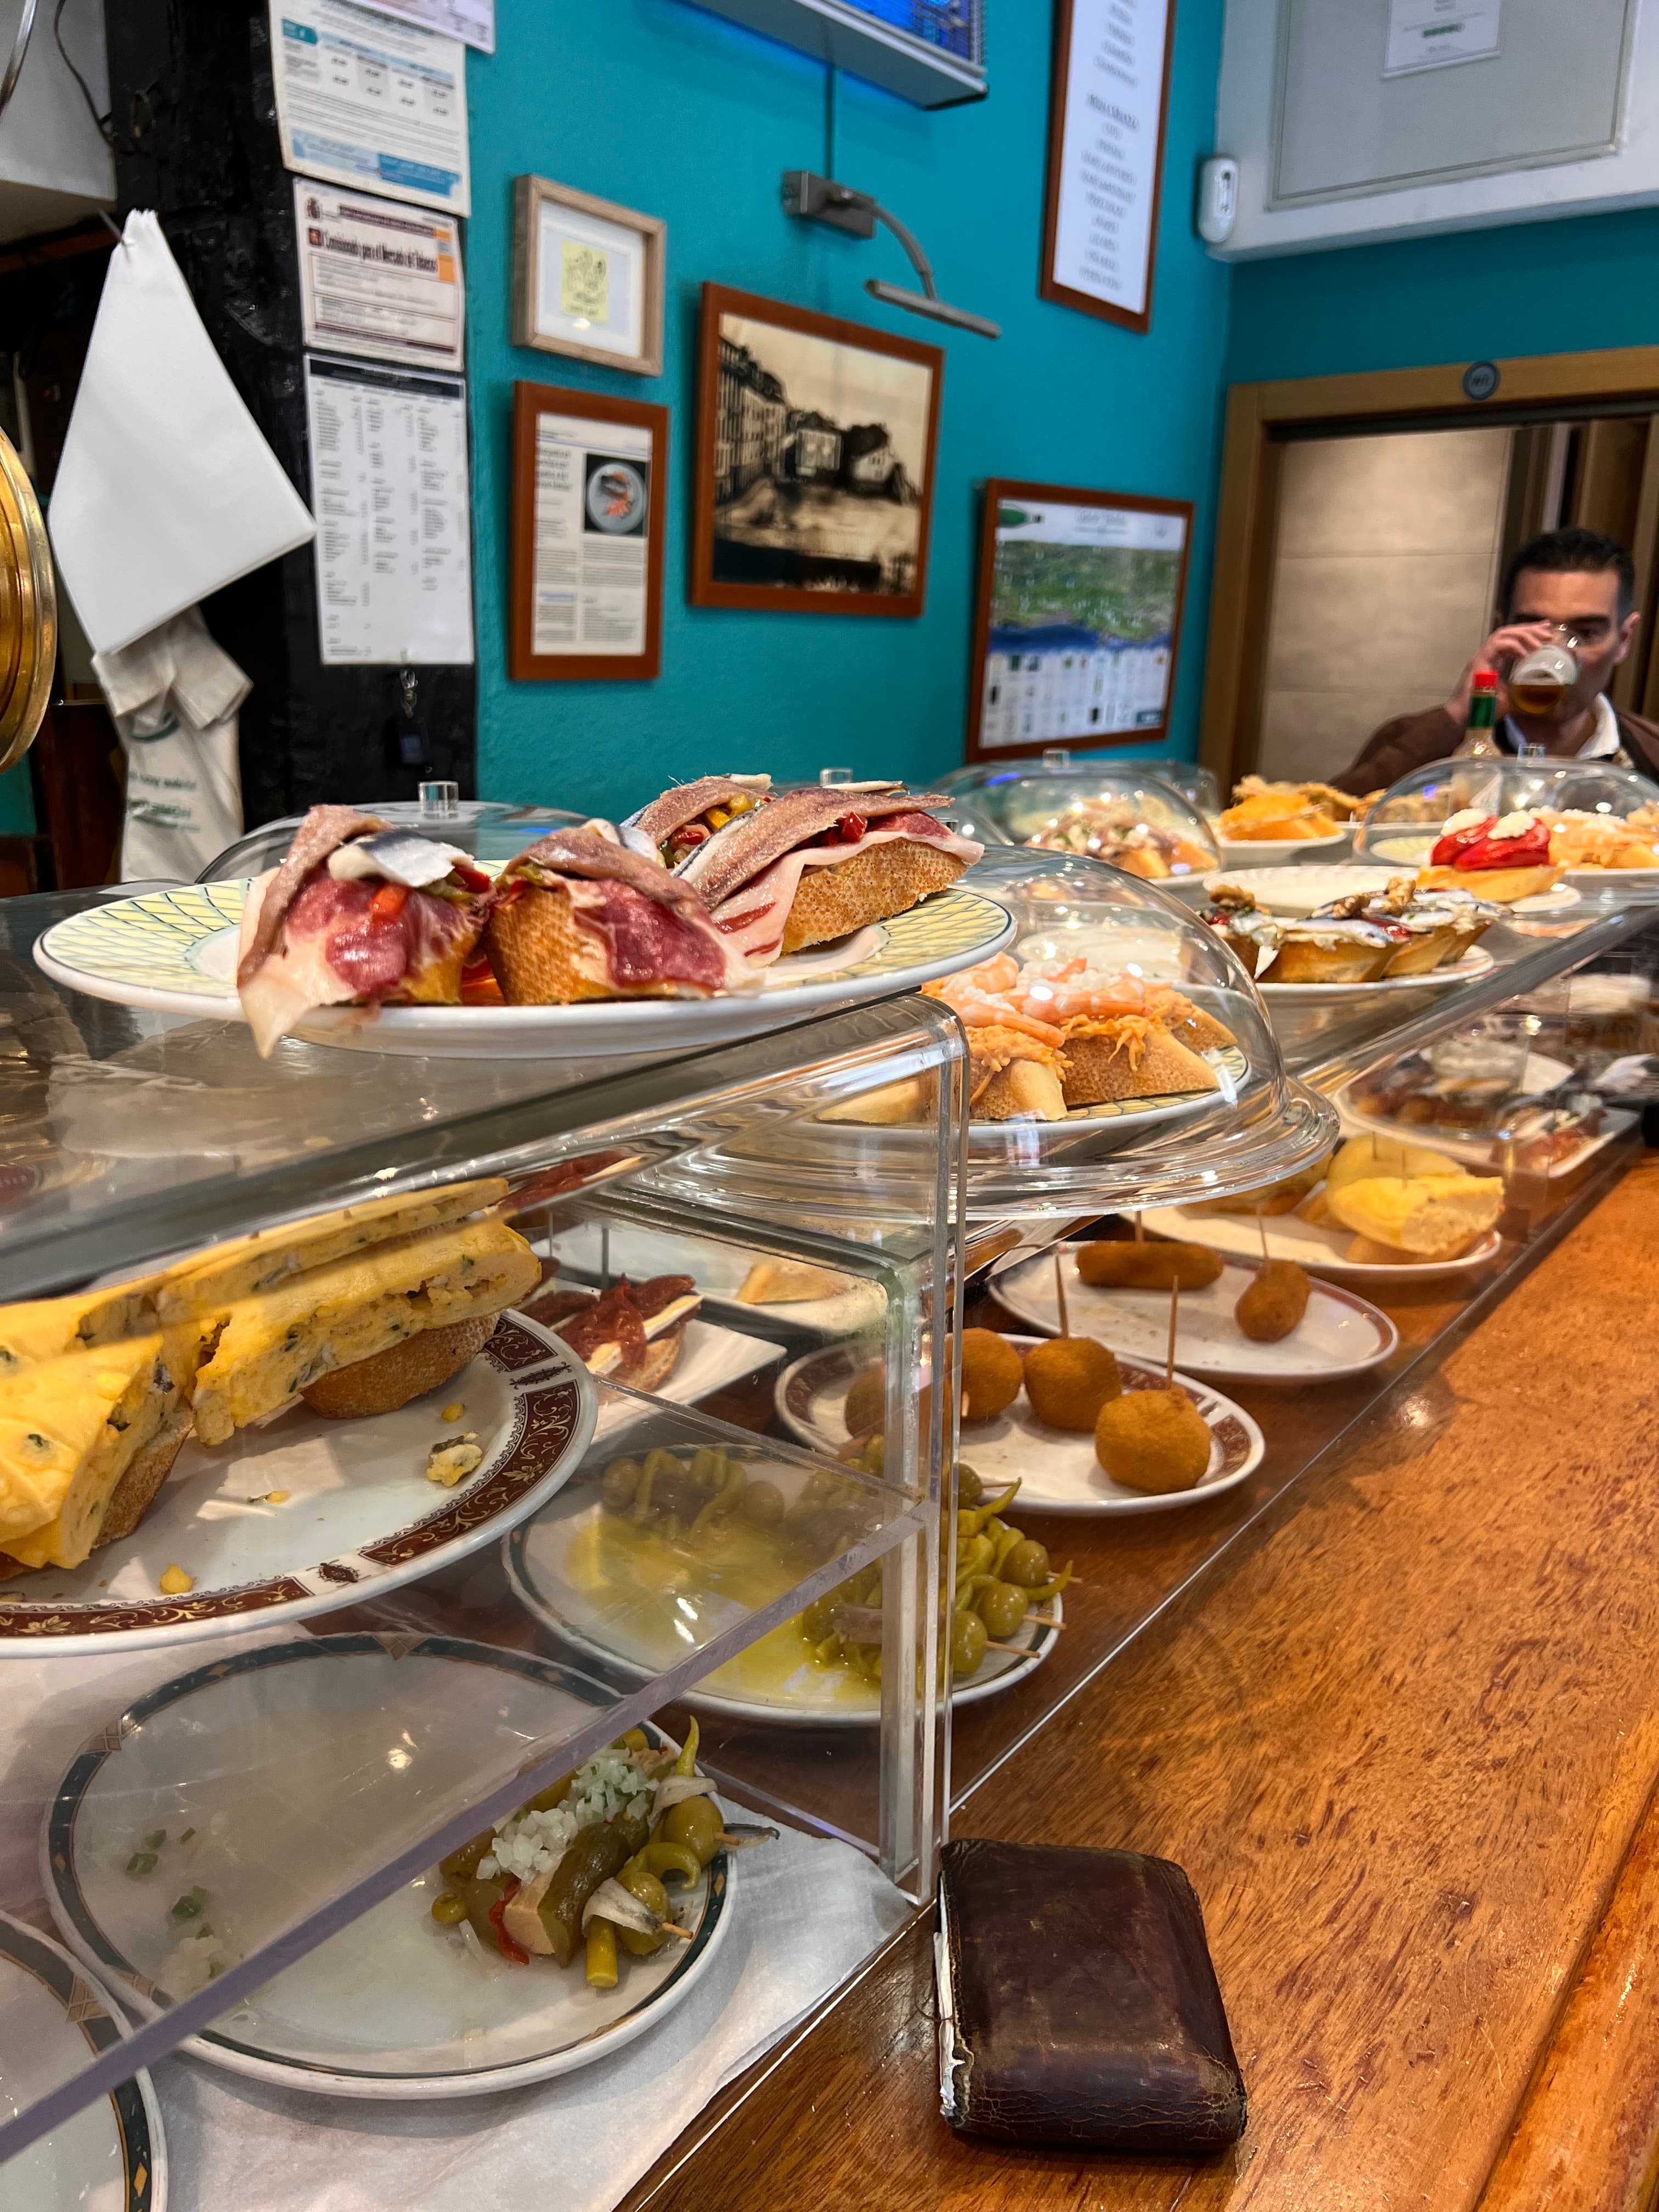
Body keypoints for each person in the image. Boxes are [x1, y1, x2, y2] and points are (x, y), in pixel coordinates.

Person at [1332, 526, 1659, 794]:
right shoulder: (1426, 740)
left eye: (1586, 633)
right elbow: (1326, 827)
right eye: (1533, 628)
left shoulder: (1649, 751)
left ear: (1624, 640)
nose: (1556, 650)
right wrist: (1459, 717)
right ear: (1501, 629)